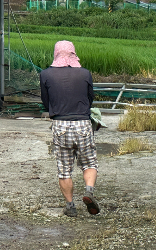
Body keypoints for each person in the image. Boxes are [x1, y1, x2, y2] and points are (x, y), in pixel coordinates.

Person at [40, 41, 100, 218]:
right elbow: (90, 99)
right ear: (74, 53)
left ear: (56, 53)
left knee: (64, 169)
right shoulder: (85, 73)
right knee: (89, 162)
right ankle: (88, 192)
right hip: (82, 123)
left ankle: (70, 206)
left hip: (60, 125)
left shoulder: (45, 74)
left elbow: (46, 101)